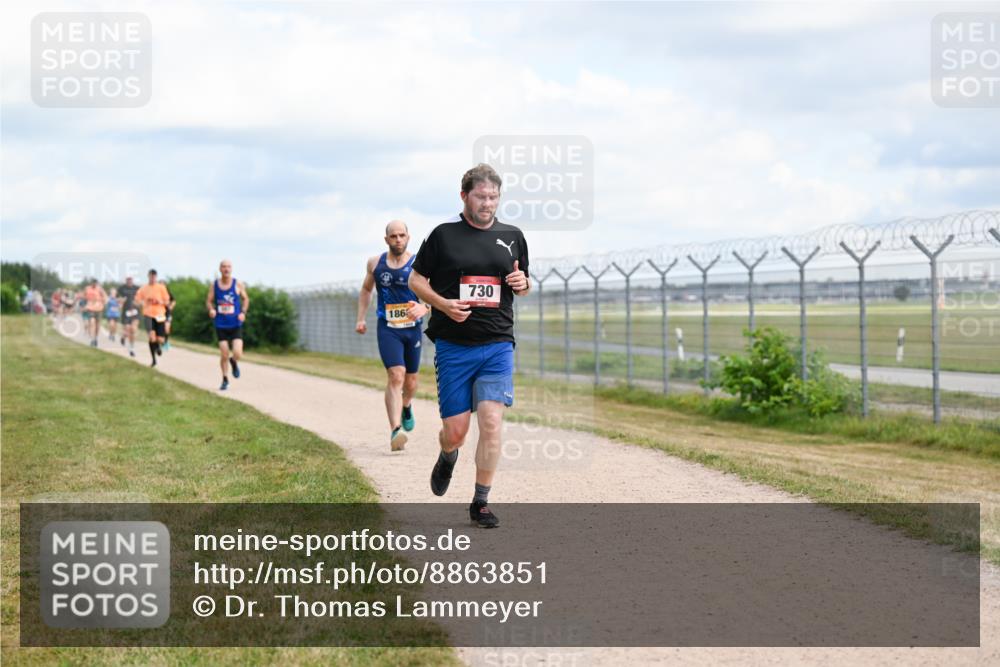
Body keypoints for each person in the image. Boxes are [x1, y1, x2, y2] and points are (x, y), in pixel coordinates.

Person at [408, 164, 530, 528]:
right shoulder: (443, 235)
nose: (488, 203)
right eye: (481, 196)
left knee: (492, 423)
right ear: (464, 196)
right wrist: (443, 305)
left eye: (494, 197)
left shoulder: (513, 235)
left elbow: (523, 285)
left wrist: (523, 283)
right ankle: (448, 454)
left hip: (497, 344)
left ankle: (480, 502)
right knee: (457, 431)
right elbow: (416, 279)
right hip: (454, 346)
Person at [356, 220, 428, 452]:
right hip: (387, 327)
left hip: (412, 328)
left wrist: (424, 307)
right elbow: (367, 289)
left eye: (402, 235)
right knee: (396, 375)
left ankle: (406, 405)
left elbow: (432, 292)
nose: (398, 239)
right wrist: (361, 318)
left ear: (409, 237)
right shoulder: (375, 264)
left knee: (411, 381)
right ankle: (396, 430)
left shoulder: (419, 263)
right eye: (393, 236)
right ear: (386, 239)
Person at [206, 259, 249, 391]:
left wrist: (243, 312)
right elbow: (208, 301)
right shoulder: (215, 285)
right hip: (221, 324)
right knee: (224, 354)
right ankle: (225, 379)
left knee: (237, 353)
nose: (226, 269)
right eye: (224, 267)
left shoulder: (238, 284)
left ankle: (234, 361)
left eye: (229, 267)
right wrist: (211, 309)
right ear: (220, 269)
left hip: (235, 323)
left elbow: (246, 299)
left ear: (231, 269)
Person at [135, 269, 171, 367]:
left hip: (160, 314)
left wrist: (160, 302)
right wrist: (142, 302)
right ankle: (154, 359)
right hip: (148, 314)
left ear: (156, 277)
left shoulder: (161, 288)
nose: (152, 278)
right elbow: (137, 300)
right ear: (148, 276)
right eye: (151, 276)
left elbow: (167, 302)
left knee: (160, 339)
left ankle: (158, 346)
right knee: (151, 337)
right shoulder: (143, 288)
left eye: (154, 276)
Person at [118, 276, 140, 357]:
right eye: (128, 279)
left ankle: (131, 348)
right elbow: (118, 298)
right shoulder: (121, 288)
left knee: (133, 329)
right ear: (126, 280)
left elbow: (141, 299)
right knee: (127, 331)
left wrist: (138, 303)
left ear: (133, 280)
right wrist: (120, 302)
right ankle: (123, 337)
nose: (129, 280)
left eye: (131, 279)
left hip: (135, 312)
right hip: (126, 312)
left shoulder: (137, 288)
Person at [82, 279, 107, 347]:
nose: (94, 284)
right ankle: (92, 339)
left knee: (97, 325)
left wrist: (104, 303)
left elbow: (105, 297)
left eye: (95, 283)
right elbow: (83, 297)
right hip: (90, 308)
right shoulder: (87, 288)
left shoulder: (100, 289)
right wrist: (84, 305)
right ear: (91, 283)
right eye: (93, 283)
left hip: (99, 308)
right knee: (92, 322)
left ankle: (96, 338)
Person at [161, 280, 176, 351]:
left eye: (163, 285)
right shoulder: (156, 293)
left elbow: (173, 300)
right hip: (158, 313)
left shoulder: (168, 293)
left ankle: (166, 342)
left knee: (167, 328)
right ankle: (160, 342)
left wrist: (171, 306)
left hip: (167, 313)